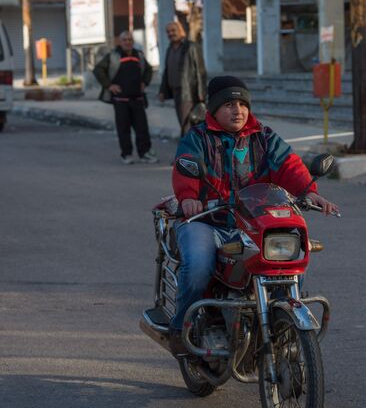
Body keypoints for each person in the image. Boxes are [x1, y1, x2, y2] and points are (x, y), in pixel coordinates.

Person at [169, 75, 339, 356]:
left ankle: (281, 324)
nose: (237, 110)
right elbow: (184, 168)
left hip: (251, 223)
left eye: (241, 103)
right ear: (213, 109)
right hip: (206, 221)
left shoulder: (264, 137)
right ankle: (181, 327)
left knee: (288, 261)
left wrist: (308, 191)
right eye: (228, 104)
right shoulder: (198, 138)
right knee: (199, 265)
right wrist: (188, 198)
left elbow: (289, 166)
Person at [93, 31, 158, 165]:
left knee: (142, 128)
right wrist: (109, 85)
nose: (127, 42)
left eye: (130, 39)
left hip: (137, 99)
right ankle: (127, 154)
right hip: (120, 101)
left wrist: (144, 83)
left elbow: (149, 70)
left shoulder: (138, 55)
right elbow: (98, 70)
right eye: (124, 40)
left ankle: (145, 153)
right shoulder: (113, 56)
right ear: (120, 42)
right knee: (123, 129)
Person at [159, 21, 207, 137]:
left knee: (187, 123)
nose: (171, 33)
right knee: (183, 122)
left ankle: (189, 151)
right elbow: (167, 71)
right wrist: (162, 90)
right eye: (168, 32)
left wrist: (202, 94)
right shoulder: (169, 49)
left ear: (180, 31)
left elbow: (200, 71)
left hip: (188, 93)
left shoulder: (191, 46)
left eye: (173, 30)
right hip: (176, 92)